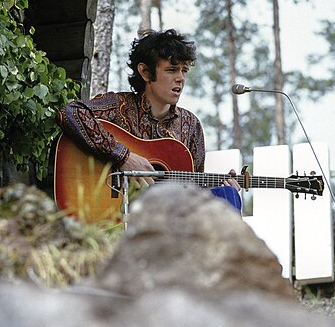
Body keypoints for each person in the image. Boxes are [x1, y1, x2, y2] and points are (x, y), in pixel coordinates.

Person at [57, 28, 241, 206]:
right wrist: (123, 157)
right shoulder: (118, 105)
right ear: (145, 72)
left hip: (170, 218)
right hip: (116, 212)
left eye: (184, 70)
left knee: (227, 195)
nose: (181, 78)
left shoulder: (190, 125)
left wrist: (219, 186)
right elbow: (70, 113)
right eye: (171, 70)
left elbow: (194, 185)